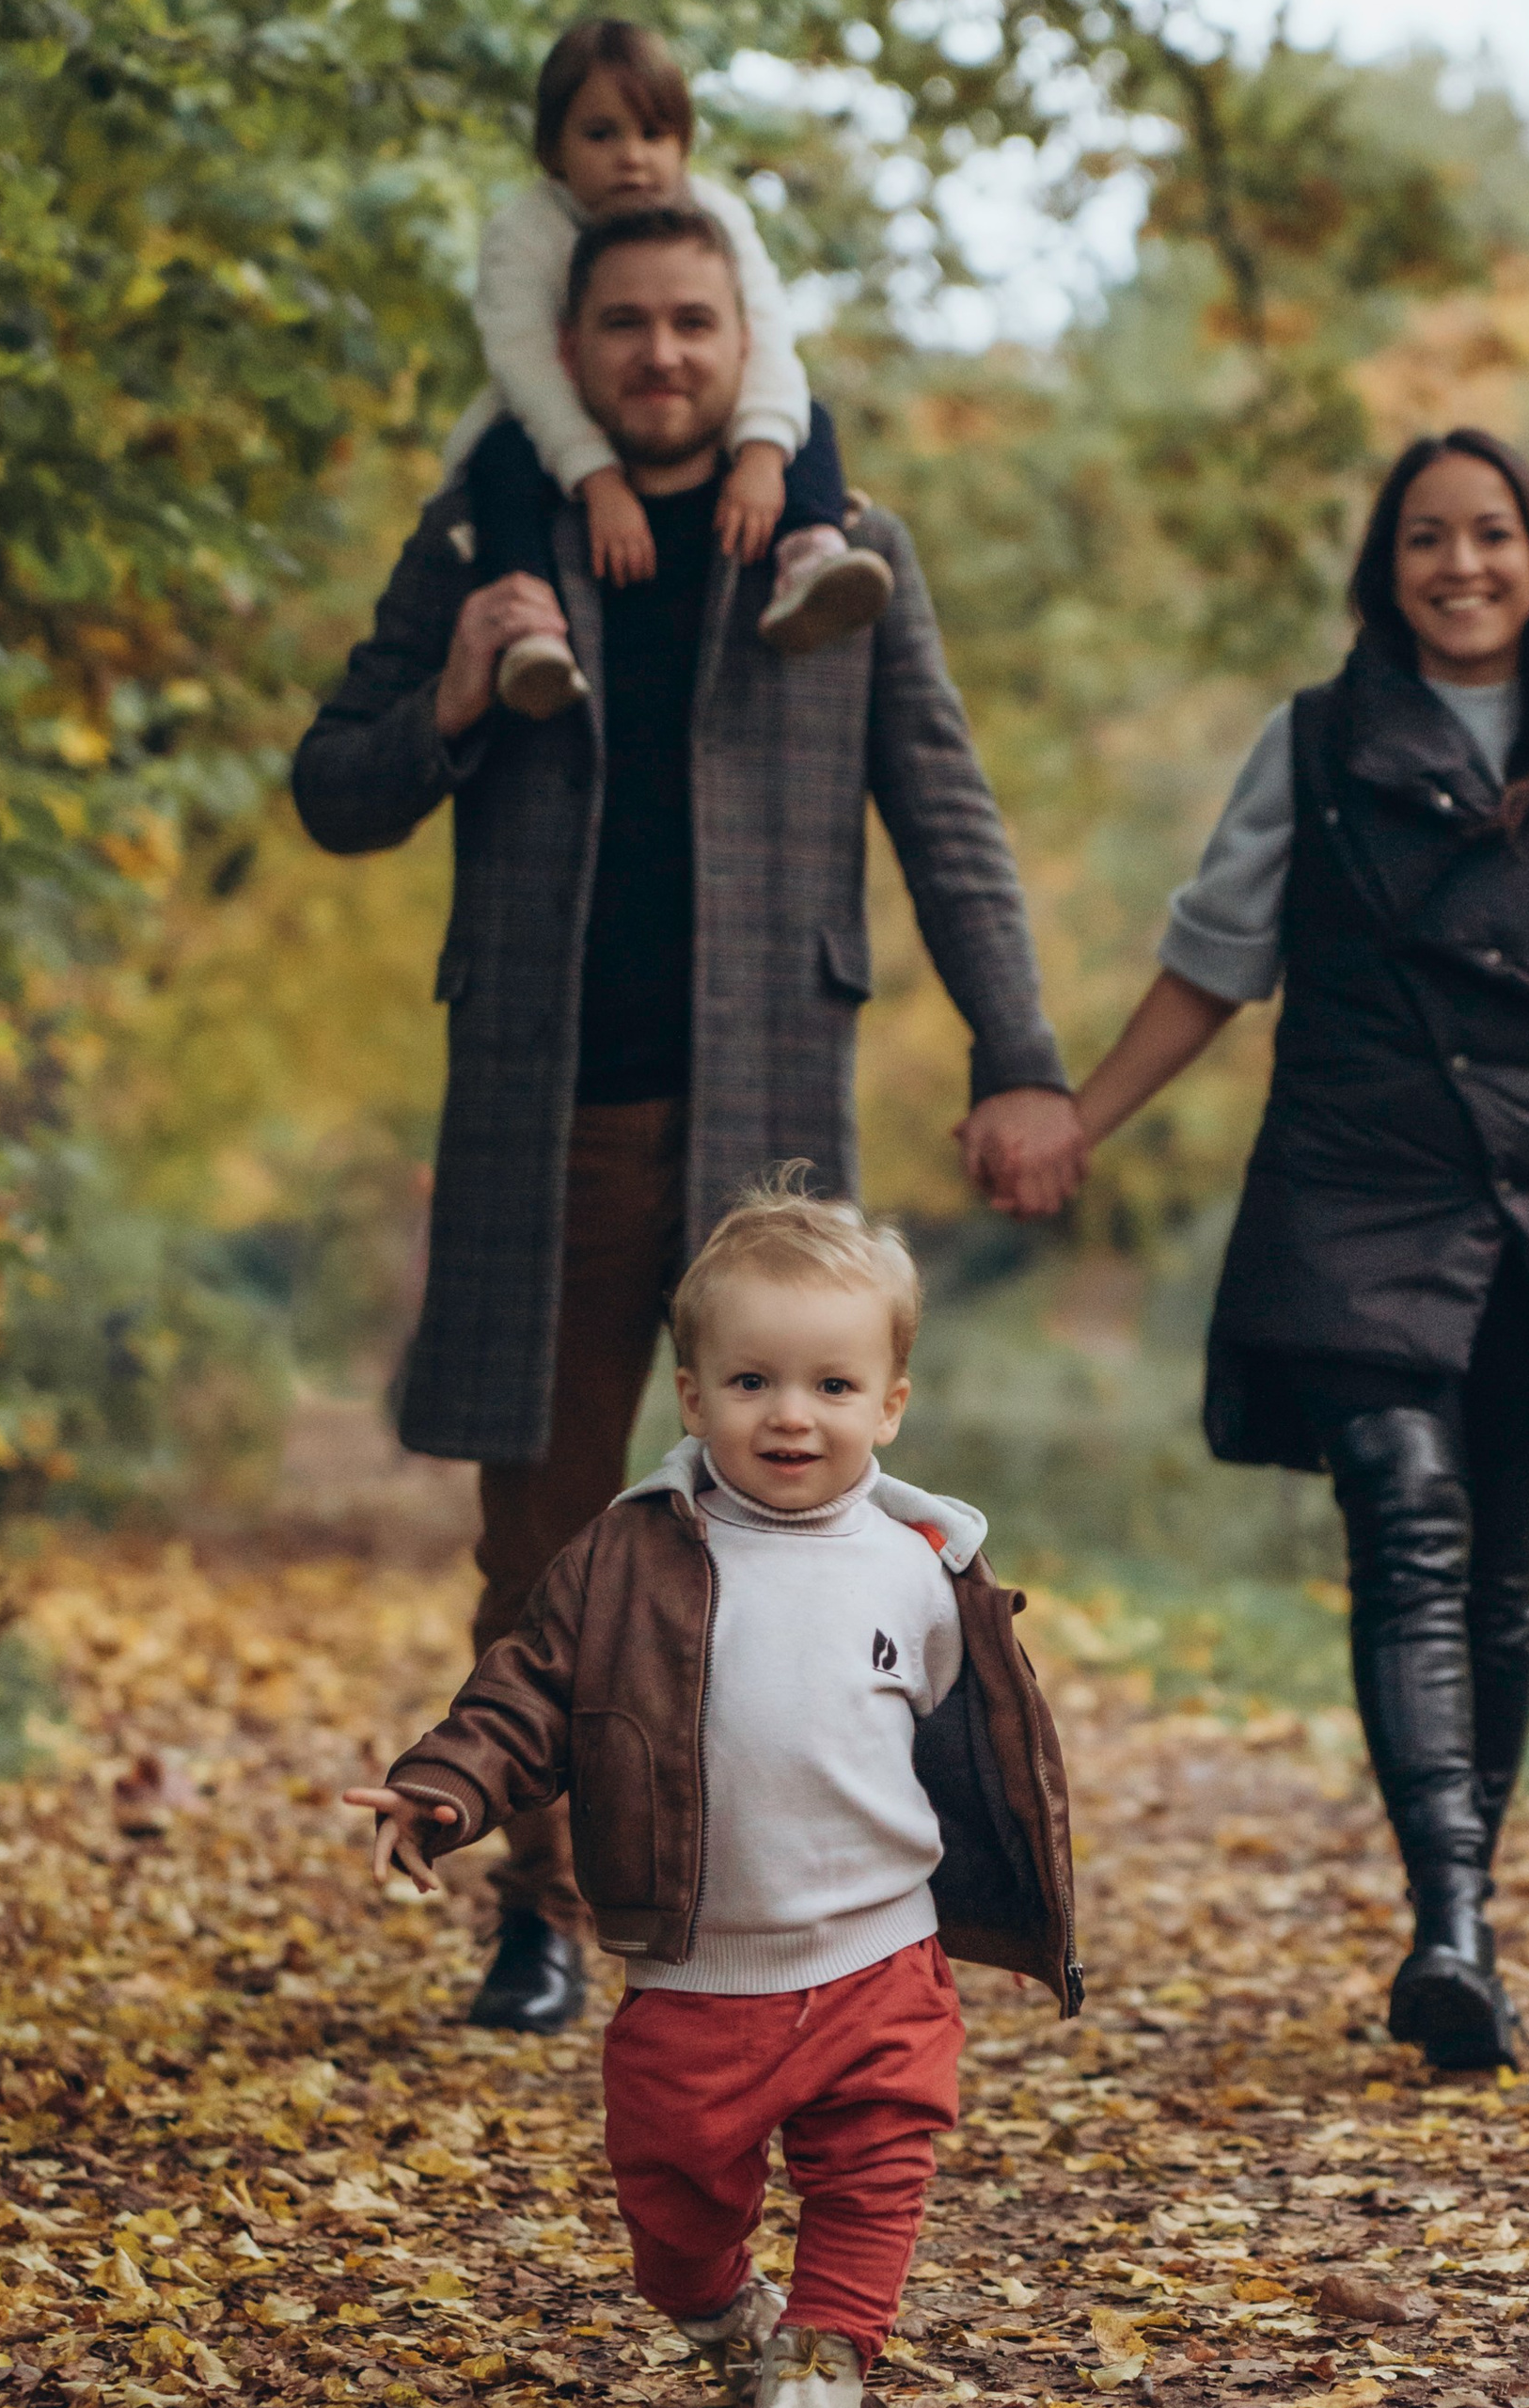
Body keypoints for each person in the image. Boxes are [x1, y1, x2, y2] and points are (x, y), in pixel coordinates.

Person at [292, 201, 1082, 2035]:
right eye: (624, 325)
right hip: (545, 1104)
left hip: (773, 1117)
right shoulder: (488, 538)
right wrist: (451, 692)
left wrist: (1018, 1050)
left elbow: (946, 813)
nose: (659, 354)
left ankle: (800, 1883)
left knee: (796, 1513)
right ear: (568, 353)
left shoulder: (839, 550)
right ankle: (545, 1903)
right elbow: (334, 785)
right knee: (548, 1540)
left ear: (745, 344)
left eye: (691, 324)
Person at [1065, 428, 1529, 2072]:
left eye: (1491, 535)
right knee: (1408, 1524)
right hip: (1350, 1188)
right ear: (1388, 567)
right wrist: (1080, 1121)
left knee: (1504, 1585)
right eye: (1426, 539)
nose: (1461, 566)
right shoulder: (1313, 747)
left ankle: (1462, 1926)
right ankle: (1452, 1923)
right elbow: (1213, 961)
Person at [344, 1178, 1080, 2408]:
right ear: (692, 1397)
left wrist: (1005, 1902)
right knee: (674, 2212)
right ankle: (720, 2307)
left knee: (878, 2162)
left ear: (890, 1405)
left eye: (832, 1387)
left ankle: (828, 2357)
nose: (792, 1416)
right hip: (697, 1972)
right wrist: (447, 1786)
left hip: (875, 1958)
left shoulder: (924, 1569)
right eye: (752, 1383)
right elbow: (530, 1691)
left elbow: (973, 1739)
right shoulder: (630, 1555)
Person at [441, 18, 890, 717]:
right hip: (551, 418)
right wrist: (598, 477)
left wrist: (765, 455)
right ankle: (530, 630)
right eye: (602, 134)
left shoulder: (717, 215)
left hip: (727, 436)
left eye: (654, 135)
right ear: (552, 147)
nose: (632, 159)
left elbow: (767, 339)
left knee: (805, 419)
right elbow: (525, 363)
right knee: (502, 460)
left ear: (684, 143)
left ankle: (808, 555)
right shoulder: (523, 232)